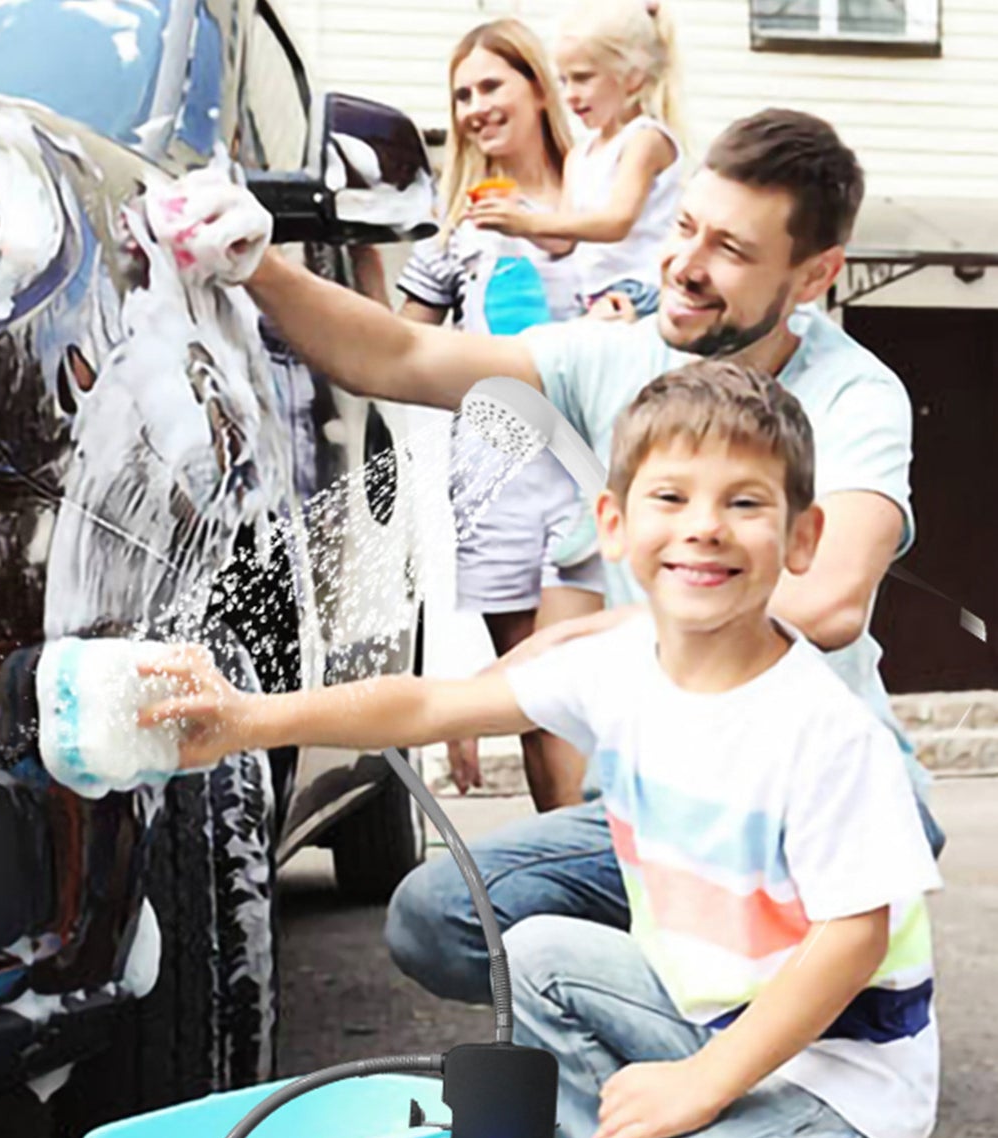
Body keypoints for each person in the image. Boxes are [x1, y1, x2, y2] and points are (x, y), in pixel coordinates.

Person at [136, 361, 987, 1138]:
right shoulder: (618, 666)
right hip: (716, 1020)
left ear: (801, 539)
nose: (702, 527)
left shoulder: (820, 730)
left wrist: (697, 1084)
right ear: (614, 524)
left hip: (840, 1080)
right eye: (670, 498)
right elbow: (425, 707)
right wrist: (242, 718)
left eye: (744, 502)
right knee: (534, 951)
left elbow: (851, 940)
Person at [144, 108, 941, 1003]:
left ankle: (788, 1030)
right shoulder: (614, 356)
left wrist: (608, 635)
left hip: (821, 786)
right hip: (668, 795)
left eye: (731, 249)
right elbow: (399, 353)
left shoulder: (853, 394)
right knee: (441, 917)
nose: (684, 264)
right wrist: (258, 265)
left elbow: (831, 602)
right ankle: (694, 1016)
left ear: (815, 275)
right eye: (683, 226)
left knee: (795, 966)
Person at [392, 18, 605, 810]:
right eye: (463, 95)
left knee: (583, 687)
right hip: (499, 484)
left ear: (537, 87)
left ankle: (610, 870)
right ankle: (574, 879)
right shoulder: (458, 233)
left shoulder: (601, 203)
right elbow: (396, 345)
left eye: (491, 85)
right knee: (536, 700)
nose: (477, 106)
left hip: (595, 474)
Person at [520, 0, 688, 320]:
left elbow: (617, 222)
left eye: (583, 78)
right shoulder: (578, 157)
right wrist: (514, 218)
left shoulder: (645, 140)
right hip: (590, 294)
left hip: (639, 290)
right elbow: (562, 240)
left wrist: (528, 222)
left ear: (632, 78)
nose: (570, 95)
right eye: (564, 81)